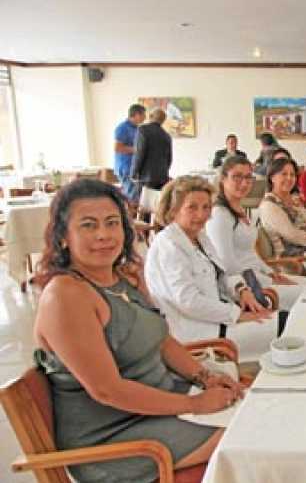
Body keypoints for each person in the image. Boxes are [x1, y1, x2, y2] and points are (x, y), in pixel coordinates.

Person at [32, 179, 241, 482]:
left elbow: (162, 340)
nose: (103, 235)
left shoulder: (121, 279)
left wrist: (204, 376)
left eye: (112, 223)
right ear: (63, 236)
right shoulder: (65, 295)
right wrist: (195, 404)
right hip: (116, 440)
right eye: (88, 225)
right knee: (248, 438)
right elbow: (108, 390)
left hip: (159, 405)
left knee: (255, 413)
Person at [145, 176, 275, 361]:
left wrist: (241, 290)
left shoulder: (199, 237)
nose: (201, 215)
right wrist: (237, 315)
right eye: (192, 207)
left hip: (220, 317)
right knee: (287, 328)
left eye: (206, 207)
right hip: (200, 334)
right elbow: (188, 301)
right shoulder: (169, 245)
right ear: (173, 210)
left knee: (288, 320)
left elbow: (222, 273)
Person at [205, 155, 306, 311]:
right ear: (223, 179)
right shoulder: (219, 215)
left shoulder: (240, 209)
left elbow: (250, 253)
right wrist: (256, 284)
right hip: (247, 286)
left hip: (260, 276)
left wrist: (271, 273)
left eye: (248, 177)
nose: (244, 183)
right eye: (237, 177)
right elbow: (226, 264)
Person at [260, 158, 306, 257]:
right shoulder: (269, 205)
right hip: (296, 258)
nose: (289, 178)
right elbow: (292, 234)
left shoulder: (291, 198)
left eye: (292, 175)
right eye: (284, 174)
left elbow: (301, 222)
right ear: (272, 178)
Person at [131, 107, 173, 193]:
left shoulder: (143, 130)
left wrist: (133, 172)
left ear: (151, 116)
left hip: (146, 177)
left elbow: (139, 153)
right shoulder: (166, 135)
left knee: (144, 204)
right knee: (157, 203)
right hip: (162, 176)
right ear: (163, 120)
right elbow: (169, 159)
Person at [113, 104, 146, 201]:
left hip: (133, 168)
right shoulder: (122, 128)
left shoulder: (136, 128)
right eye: (143, 115)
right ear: (136, 114)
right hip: (126, 168)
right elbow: (117, 148)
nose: (145, 118)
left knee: (138, 197)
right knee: (132, 198)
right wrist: (138, 150)